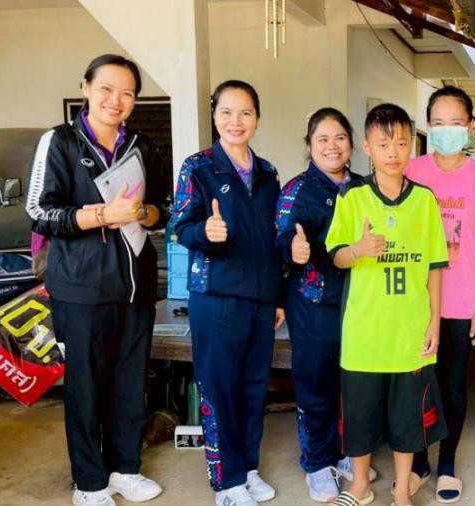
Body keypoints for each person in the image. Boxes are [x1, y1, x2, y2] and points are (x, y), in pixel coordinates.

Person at [25, 54, 170, 506]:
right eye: (106, 88)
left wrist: (145, 212)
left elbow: (162, 209)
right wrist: (102, 215)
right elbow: (39, 211)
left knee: (130, 383)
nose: (116, 100)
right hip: (81, 288)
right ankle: (89, 482)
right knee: (86, 387)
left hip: (135, 286)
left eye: (127, 93)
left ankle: (126, 469)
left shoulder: (143, 146)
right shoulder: (61, 142)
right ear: (85, 88)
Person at [325, 103, 449, 506]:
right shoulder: (352, 196)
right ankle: (360, 486)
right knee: (359, 416)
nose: (393, 152)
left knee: (407, 419)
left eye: (400, 143)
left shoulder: (425, 200)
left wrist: (434, 323)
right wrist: (358, 249)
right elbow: (336, 256)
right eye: (383, 144)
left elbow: (435, 266)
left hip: (409, 332)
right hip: (363, 332)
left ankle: (402, 493)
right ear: (367, 147)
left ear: (412, 145)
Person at [172, 80, 285, 506]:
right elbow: (180, 225)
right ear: (214, 115)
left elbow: (275, 238)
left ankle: (248, 467)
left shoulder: (268, 173)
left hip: (261, 298)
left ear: (257, 118)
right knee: (219, 388)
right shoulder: (198, 167)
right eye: (226, 112)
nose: (235, 121)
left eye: (245, 113)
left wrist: (277, 295)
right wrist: (206, 230)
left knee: (254, 387)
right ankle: (226, 482)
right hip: (216, 295)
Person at [403, 86, 475, 503]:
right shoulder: (410, 170)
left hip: (461, 302)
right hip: (413, 301)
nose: (447, 130)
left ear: (470, 127)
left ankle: (446, 463)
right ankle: (418, 462)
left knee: (452, 384)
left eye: (455, 123)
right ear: (428, 126)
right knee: (413, 385)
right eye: (438, 123)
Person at [274, 107, 377, 502]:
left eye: (339, 138)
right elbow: (281, 236)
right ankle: (317, 463)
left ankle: (348, 453)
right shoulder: (298, 189)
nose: (332, 146)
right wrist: (293, 248)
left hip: (359, 302)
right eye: (322, 139)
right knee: (316, 384)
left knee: (353, 384)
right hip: (313, 304)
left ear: (351, 144)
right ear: (309, 145)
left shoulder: (364, 188)